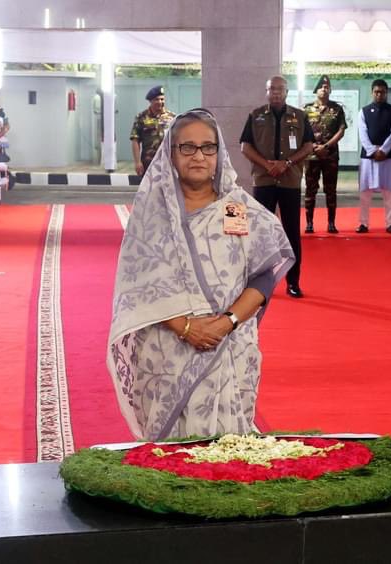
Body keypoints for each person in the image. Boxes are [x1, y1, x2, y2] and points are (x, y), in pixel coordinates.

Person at [108, 108, 294, 440]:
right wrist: (187, 328)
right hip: (168, 347)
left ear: (219, 153)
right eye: (187, 147)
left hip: (229, 343)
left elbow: (263, 275)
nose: (198, 156)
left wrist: (226, 323)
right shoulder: (154, 215)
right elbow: (138, 282)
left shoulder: (238, 207)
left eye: (208, 147)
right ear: (171, 153)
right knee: (171, 453)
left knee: (228, 451)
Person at [240, 75, 314, 298]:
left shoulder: (299, 116)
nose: (276, 93)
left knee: (291, 232)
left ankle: (293, 282)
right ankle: (258, 285)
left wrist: (287, 163)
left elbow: (308, 146)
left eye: (280, 89)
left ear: (287, 92)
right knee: (260, 233)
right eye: (272, 89)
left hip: (290, 181)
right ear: (266, 91)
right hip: (264, 181)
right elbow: (245, 146)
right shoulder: (255, 115)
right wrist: (267, 165)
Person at [303, 75, 346, 234]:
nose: (324, 89)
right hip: (311, 156)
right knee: (310, 190)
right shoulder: (306, 109)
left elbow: (341, 131)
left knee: (331, 190)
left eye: (327, 87)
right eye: (321, 87)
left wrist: (326, 146)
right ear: (316, 90)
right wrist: (314, 146)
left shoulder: (337, 109)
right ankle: (309, 223)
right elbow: (302, 132)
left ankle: (331, 223)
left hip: (330, 155)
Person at [357, 79, 391, 234]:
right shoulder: (364, 111)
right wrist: (372, 151)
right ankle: (363, 223)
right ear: (372, 92)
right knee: (365, 192)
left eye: (382, 92)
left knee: (389, 192)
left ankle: (390, 223)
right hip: (368, 157)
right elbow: (362, 134)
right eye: (376, 92)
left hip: (388, 156)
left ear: (386, 93)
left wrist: (383, 150)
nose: (379, 95)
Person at [130, 85, 176, 180]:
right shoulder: (141, 117)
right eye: (156, 99)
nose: (160, 102)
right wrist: (137, 162)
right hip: (148, 162)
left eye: (162, 99)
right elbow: (135, 140)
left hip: (167, 161)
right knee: (148, 188)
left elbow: (177, 140)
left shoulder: (172, 117)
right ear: (150, 101)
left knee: (167, 187)